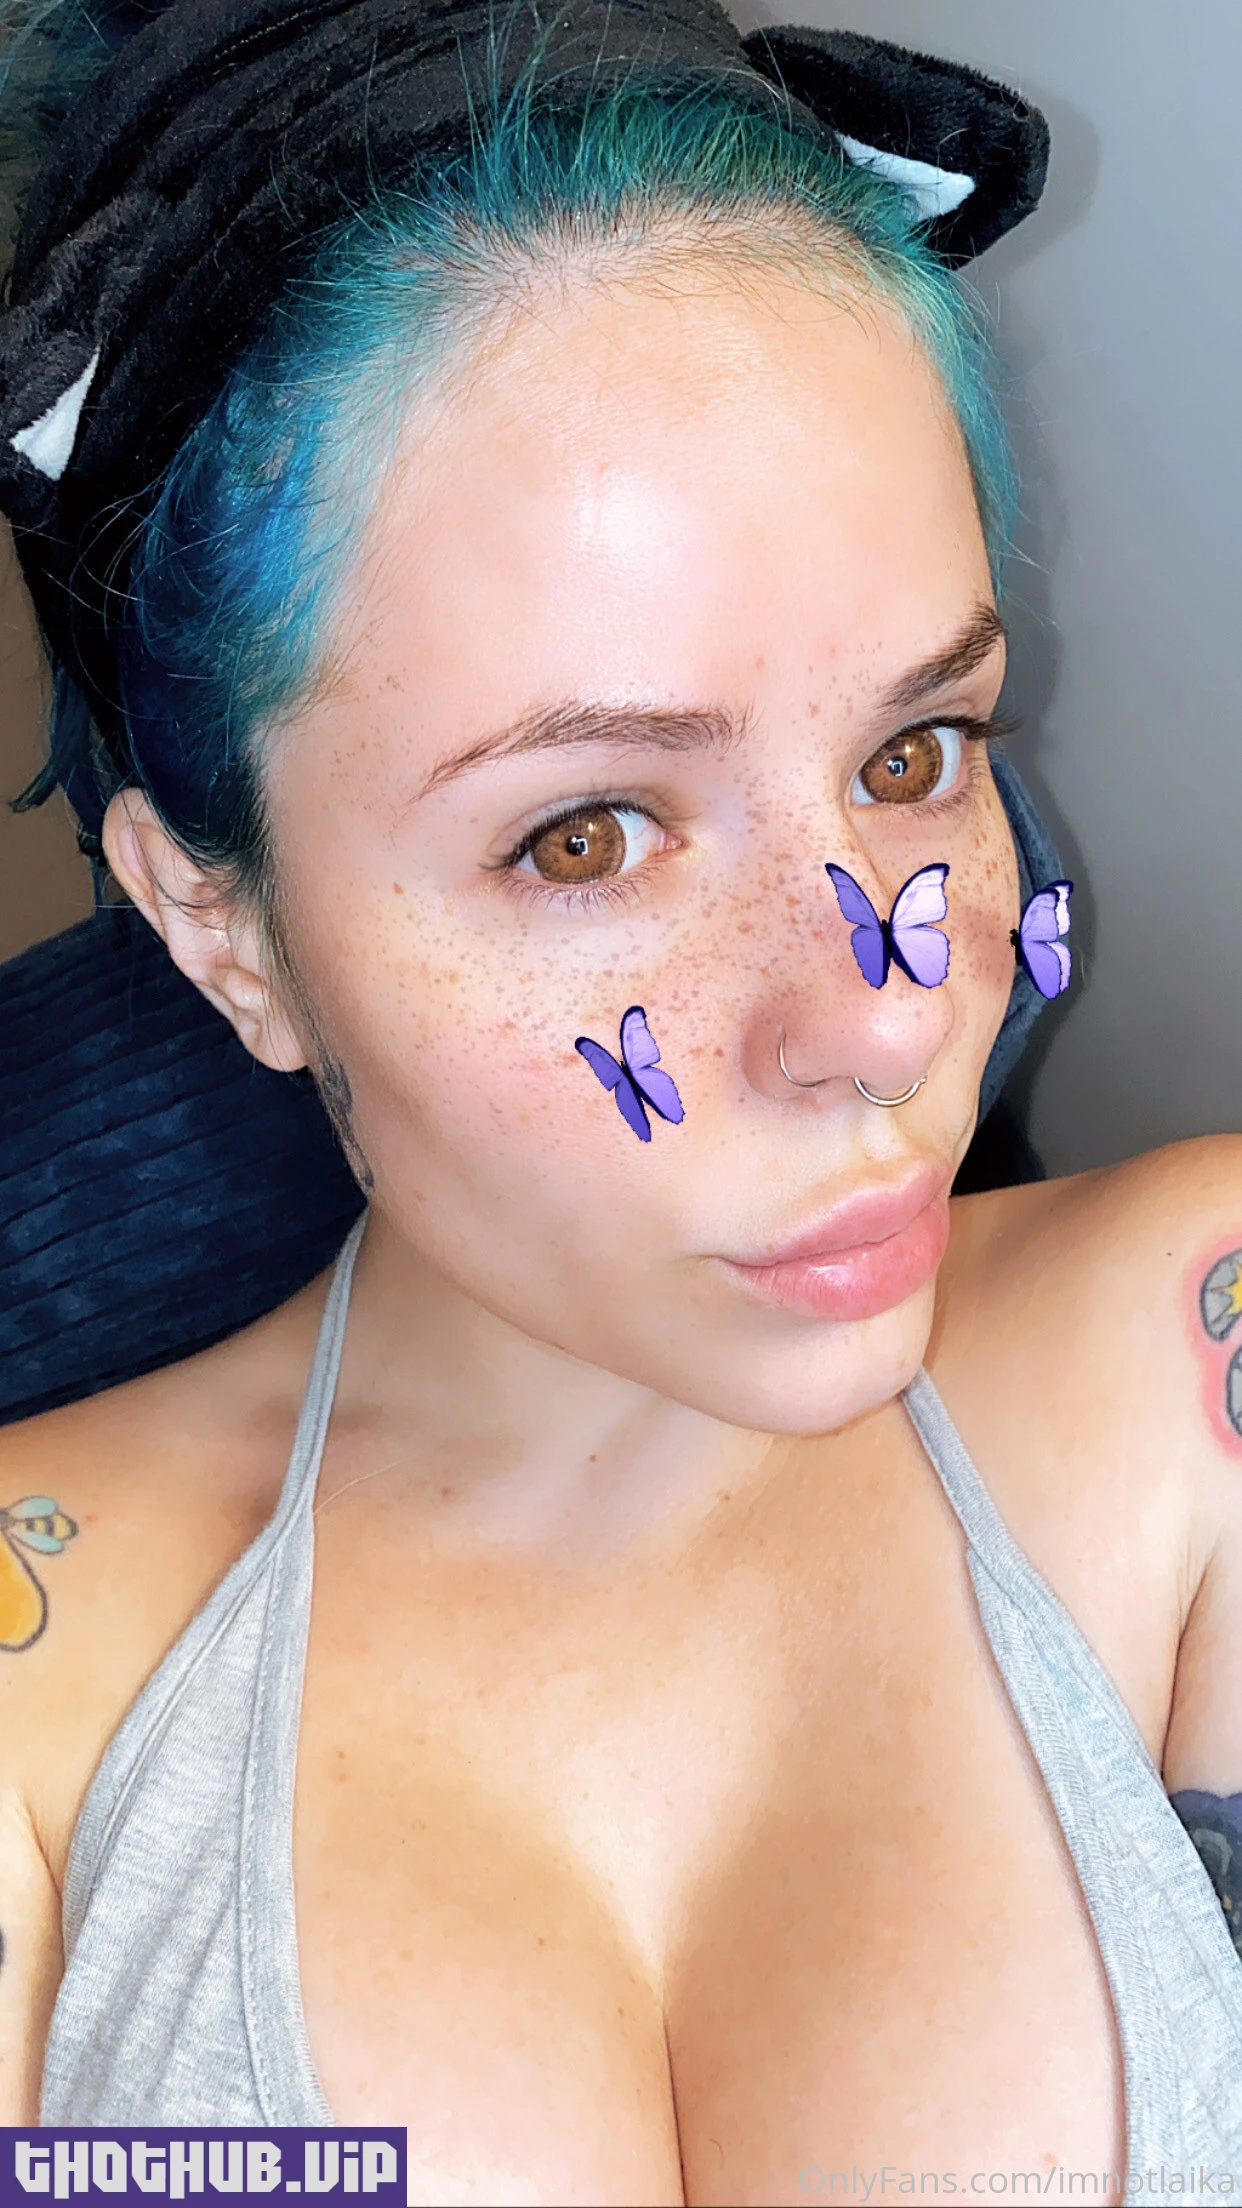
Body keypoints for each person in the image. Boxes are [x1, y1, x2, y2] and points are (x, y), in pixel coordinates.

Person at [0, 0, 1239, 2196]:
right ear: (224, 929)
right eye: (584, 837)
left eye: (916, 754)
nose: (880, 1023)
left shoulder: (1195, 1371)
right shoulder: (41, 1684)